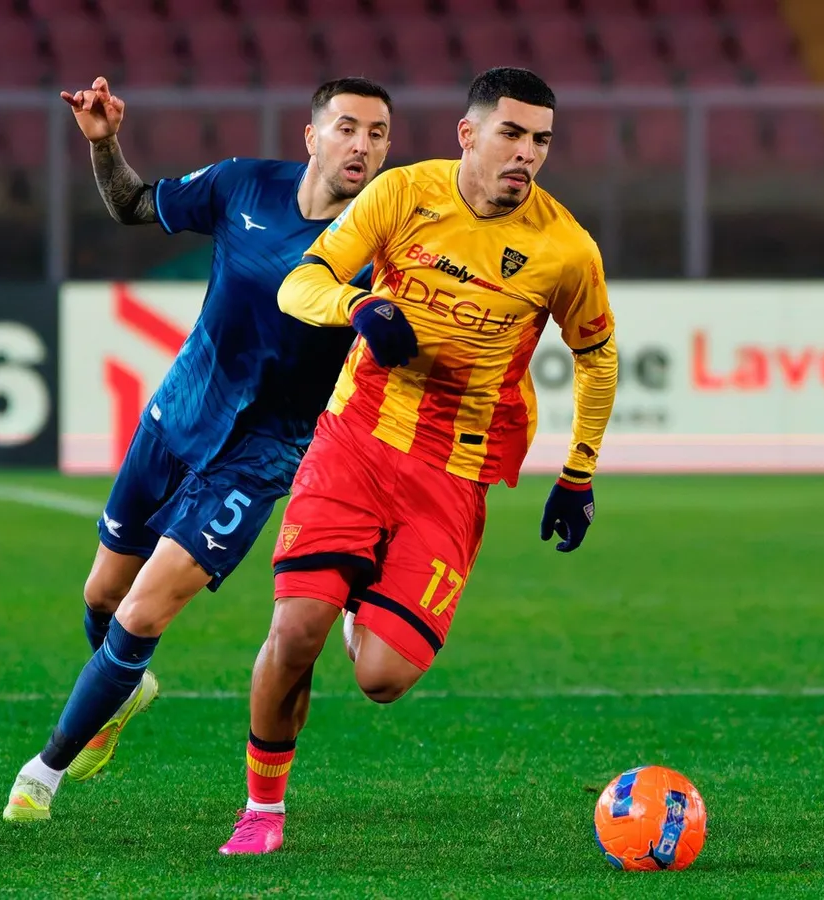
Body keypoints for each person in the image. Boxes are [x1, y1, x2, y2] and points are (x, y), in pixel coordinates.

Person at [217, 67, 619, 855]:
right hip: (357, 439)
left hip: (455, 472)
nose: (526, 154)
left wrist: (579, 471)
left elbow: (596, 358)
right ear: (468, 134)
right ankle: (263, 810)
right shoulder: (404, 195)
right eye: (511, 134)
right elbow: (303, 283)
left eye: (540, 140)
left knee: (382, 680)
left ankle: (359, 595)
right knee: (296, 627)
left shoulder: (566, 249)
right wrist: (360, 306)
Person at [3, 75, 395, 822]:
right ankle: (126, 692)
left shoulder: (384, 250)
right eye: (347, 127)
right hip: (178, 417)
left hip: (263, 456)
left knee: (145, 613)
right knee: (102, 598)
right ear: (312, 136)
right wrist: (104, 142)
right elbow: (131, 203)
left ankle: (43, 771)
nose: (362, 145)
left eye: (377, 133)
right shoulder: (241, 185)